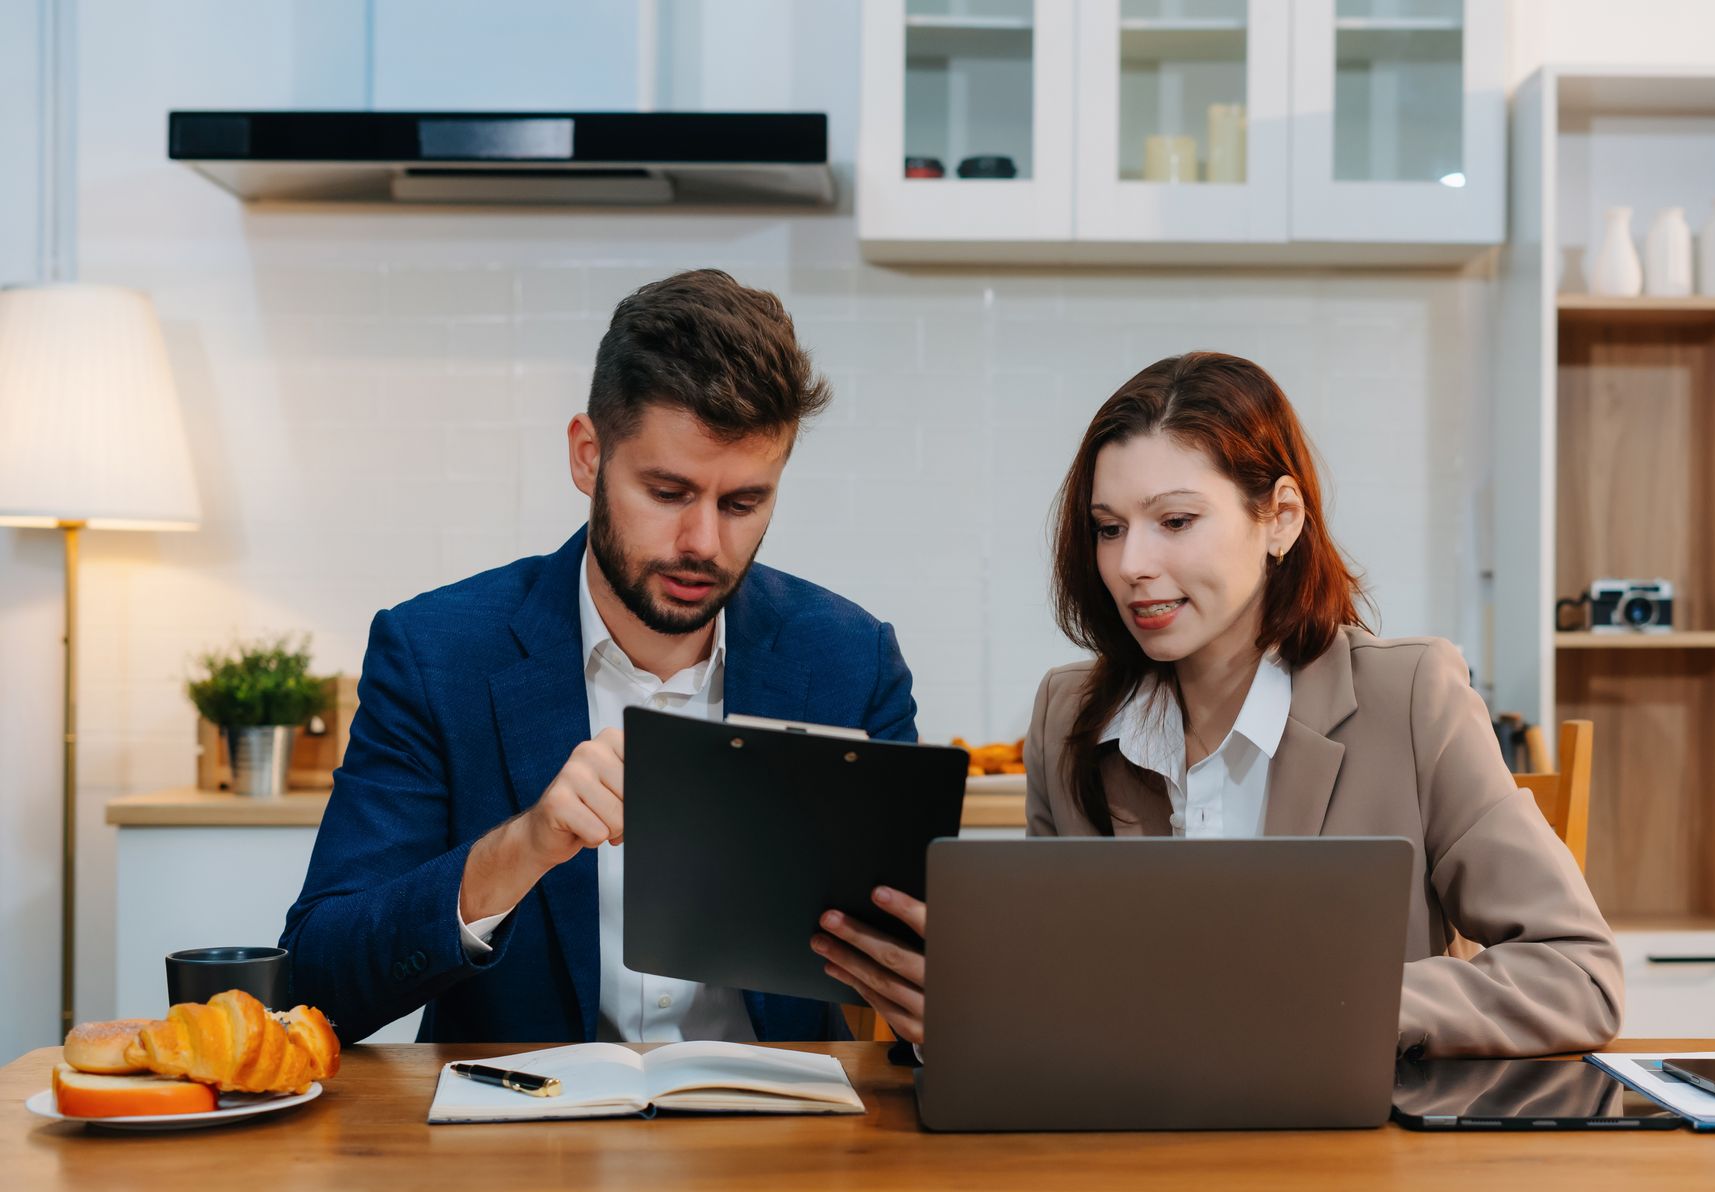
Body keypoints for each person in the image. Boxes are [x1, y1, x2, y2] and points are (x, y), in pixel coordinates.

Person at [815, 351, 1623, 1058]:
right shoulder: (1068, 718)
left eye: (1175, 520)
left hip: (1356, 1176)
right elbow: (1064, 998)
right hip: (1134, 1160)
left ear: (1280, 519)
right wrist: (970, 1015)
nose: (1132, 564)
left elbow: (1576, 972)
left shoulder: (1412, 698)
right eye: (1107, 528)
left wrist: (1322, 1010)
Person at [283, 269, 918, 1046]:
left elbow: (912, 975)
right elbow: (317, 981)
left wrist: (933, 998)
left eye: (743, 503)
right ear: (589, 457)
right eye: (668, 492)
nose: (704, 545)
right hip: (526, 1137)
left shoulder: (852, 661)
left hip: (776, 1145)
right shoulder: (435, 654)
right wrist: (521, 848)